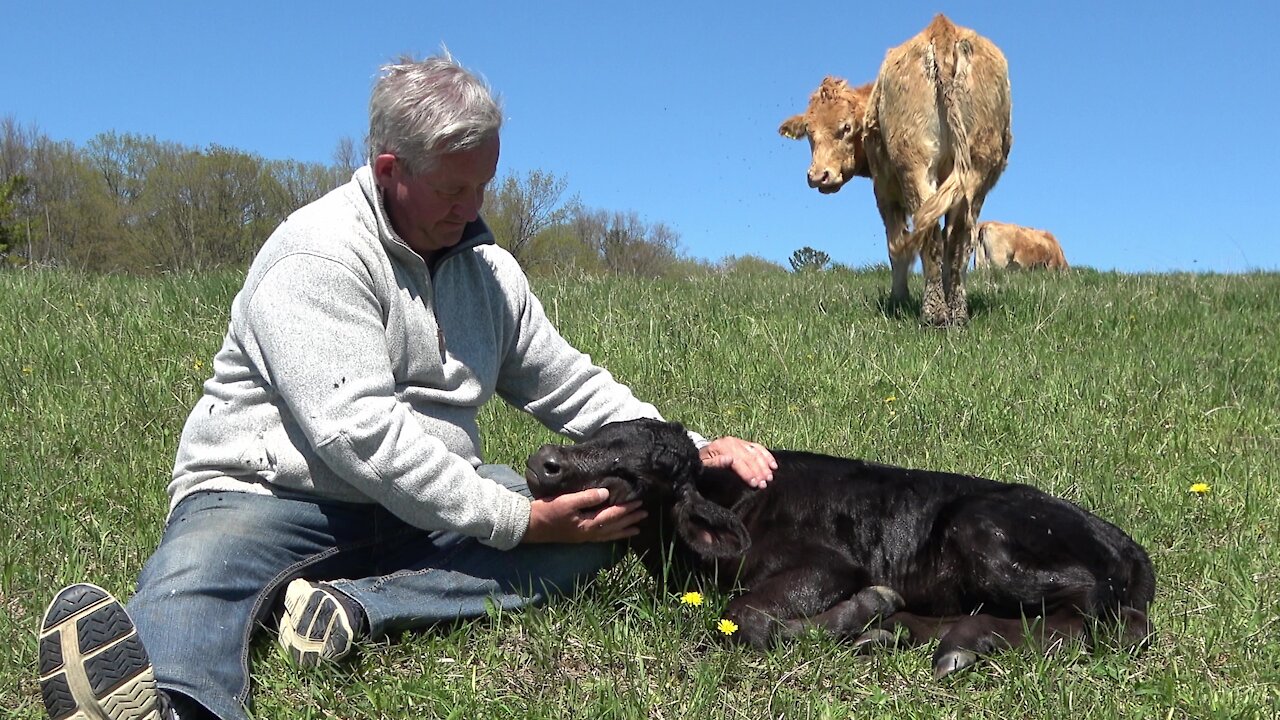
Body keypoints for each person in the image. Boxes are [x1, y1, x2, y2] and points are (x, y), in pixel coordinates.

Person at [35, 52, 776, 720]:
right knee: (199, 583)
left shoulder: (490, 272)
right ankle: (169, 704)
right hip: (272, 498)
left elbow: (571, 385)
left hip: (424, 507)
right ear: (390, 172)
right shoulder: (318, 254)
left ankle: (350, 608)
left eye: (483, 185)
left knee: (603, 529)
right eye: (454, 189)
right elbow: (360, 436)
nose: (473, 207)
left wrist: (696, 446)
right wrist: (516, 523)